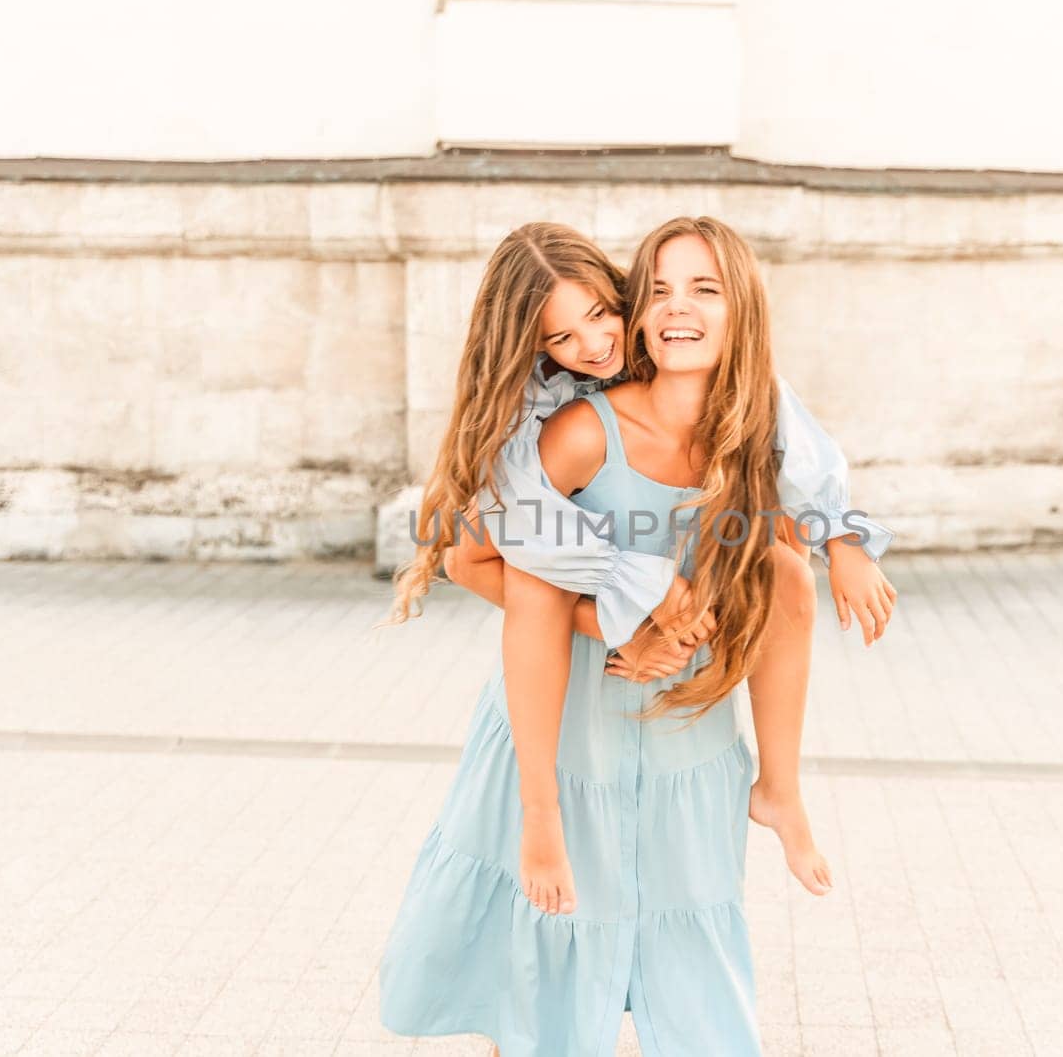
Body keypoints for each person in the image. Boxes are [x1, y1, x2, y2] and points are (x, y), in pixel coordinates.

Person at [378, 217, 892, 1054]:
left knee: (782, 566)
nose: (595, 340)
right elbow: (477, 556)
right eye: (658, 291)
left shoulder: (746, 414)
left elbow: (802, 484)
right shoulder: (572, 428)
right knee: (554, 944)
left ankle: (780, 789)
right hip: (571, 714)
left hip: (682, 726)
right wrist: (611, 614)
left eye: (602, 314)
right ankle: (541, 824)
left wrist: (845, 544)